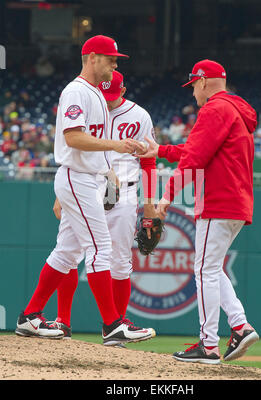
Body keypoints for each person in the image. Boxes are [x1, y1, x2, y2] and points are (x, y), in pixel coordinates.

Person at [15, 35, 155, 346]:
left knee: (66, 252)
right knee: (100, 249)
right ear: (92, 57)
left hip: (88, 178)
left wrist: (108, 171)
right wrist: (115, 146)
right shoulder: (76, 91)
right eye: (110, 59)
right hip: (77, 178)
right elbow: (74, 139)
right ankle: (112, 324)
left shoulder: (93, 94)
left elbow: (89, 146)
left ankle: (30, 316)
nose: (115, 64)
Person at [137, 59, 259, 364]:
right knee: (212, 268)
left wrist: (166, 198)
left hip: (219, 202)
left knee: (204, 270)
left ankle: (208, 345)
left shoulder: (214, 109)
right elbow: (197, 150)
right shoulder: (233, 110)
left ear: (203, 81)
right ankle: (241, 326)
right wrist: (162, 151)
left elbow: (193, 161)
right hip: (236, 203)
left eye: (193, 85)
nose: (192, 93)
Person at [49, 70, 158, 341]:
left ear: (123, 91)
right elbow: (73, 150)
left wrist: (149, 208)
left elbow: (148, 162)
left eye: (113, 95)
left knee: (120, 262)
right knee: (68, 253)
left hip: (124, 193)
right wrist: (61, 195)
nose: (107, 99)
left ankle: (116, 326)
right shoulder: (88, 103)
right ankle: (63, 320)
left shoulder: (139, 116)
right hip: (85, 186)